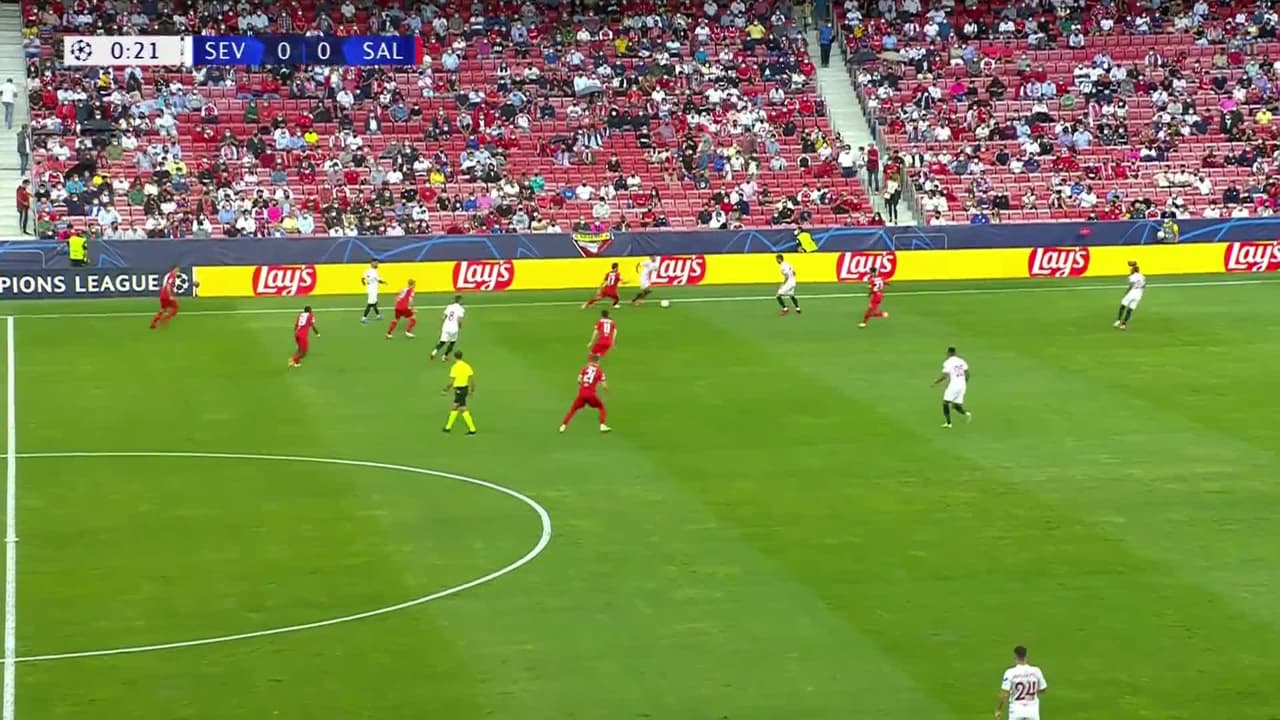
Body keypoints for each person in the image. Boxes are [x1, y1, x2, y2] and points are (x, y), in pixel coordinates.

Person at [560, 354, 611, 433]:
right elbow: (604, 386)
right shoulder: (600, 372)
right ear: (598, 361)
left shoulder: (585, 369)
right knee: (601, 406)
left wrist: (585, 386)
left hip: (582, 394)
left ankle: (563, 426)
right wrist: (607, 391)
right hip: (591, 395)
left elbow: (579, 380)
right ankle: (602, 425)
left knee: (573, 410)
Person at [995, 645, 1047, 720]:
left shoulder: (1010, 672)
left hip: (1016, 712)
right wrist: (1029, 691)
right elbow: (1043, 689)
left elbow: (1004, 694)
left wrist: (998, 710)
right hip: (1033, 712)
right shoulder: (1036, 671)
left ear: (1015, 656)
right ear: (1026, 656)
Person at [932, 346, 971, 428]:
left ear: (948, 353)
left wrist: (936, 381)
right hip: (962, 385)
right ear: (955, 353)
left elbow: (945, 375)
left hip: (954, 385)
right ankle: (967, 414)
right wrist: (964, 382)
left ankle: (948, 423)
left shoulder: (948, 362)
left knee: (945, 403)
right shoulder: (961, 360)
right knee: (956, 405)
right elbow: (967, 373)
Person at [441, 350, 477, 434]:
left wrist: (446, 389)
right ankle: (448, 427)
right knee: (458, 408)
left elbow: (452, 381)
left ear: (455, 357)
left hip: (459, 390)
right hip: (465, 389)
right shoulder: (467, 366)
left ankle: (472, 429)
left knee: (459, 408)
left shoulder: (455, 367)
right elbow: (472, 378)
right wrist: (472, 389)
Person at [430, 294, 466, 359]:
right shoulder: (461, 309)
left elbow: (443, 317)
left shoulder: (449, 306)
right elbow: (459, 320)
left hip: (446, 326)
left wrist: (442, 325)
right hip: (454, 328)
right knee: (452, 342)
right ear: (460, 301)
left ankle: (434, 352)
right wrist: (460, 326)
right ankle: (445, 356)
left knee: (442, 342)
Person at [1114, 261, 1145, 330]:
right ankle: (1123, 324)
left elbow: (1131, 285)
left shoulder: (1132, 276)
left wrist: (1126, 292)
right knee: (1130, 310)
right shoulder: (1142, 276)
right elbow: (1144, 286)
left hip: (1132, 294)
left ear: (1133, 270)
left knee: (1123, 306)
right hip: (1138, 295)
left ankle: (1118, 320)